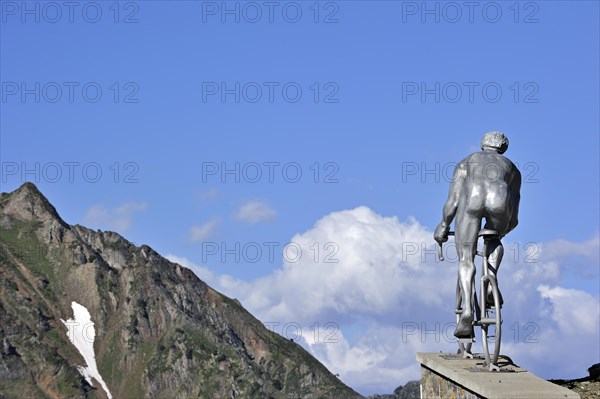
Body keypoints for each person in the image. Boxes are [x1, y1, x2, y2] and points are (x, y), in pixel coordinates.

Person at [434, 131, 521, 338]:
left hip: (472, 200)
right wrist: (503, 231)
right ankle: (491, 278)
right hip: (499, 200)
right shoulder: (512, 169)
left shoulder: (467, 161)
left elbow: (453, 202)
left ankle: (466, 311)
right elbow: (515, 216)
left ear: (483, 145)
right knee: (494, 238)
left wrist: (444, 226)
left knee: (466, 258)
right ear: (503, 148)